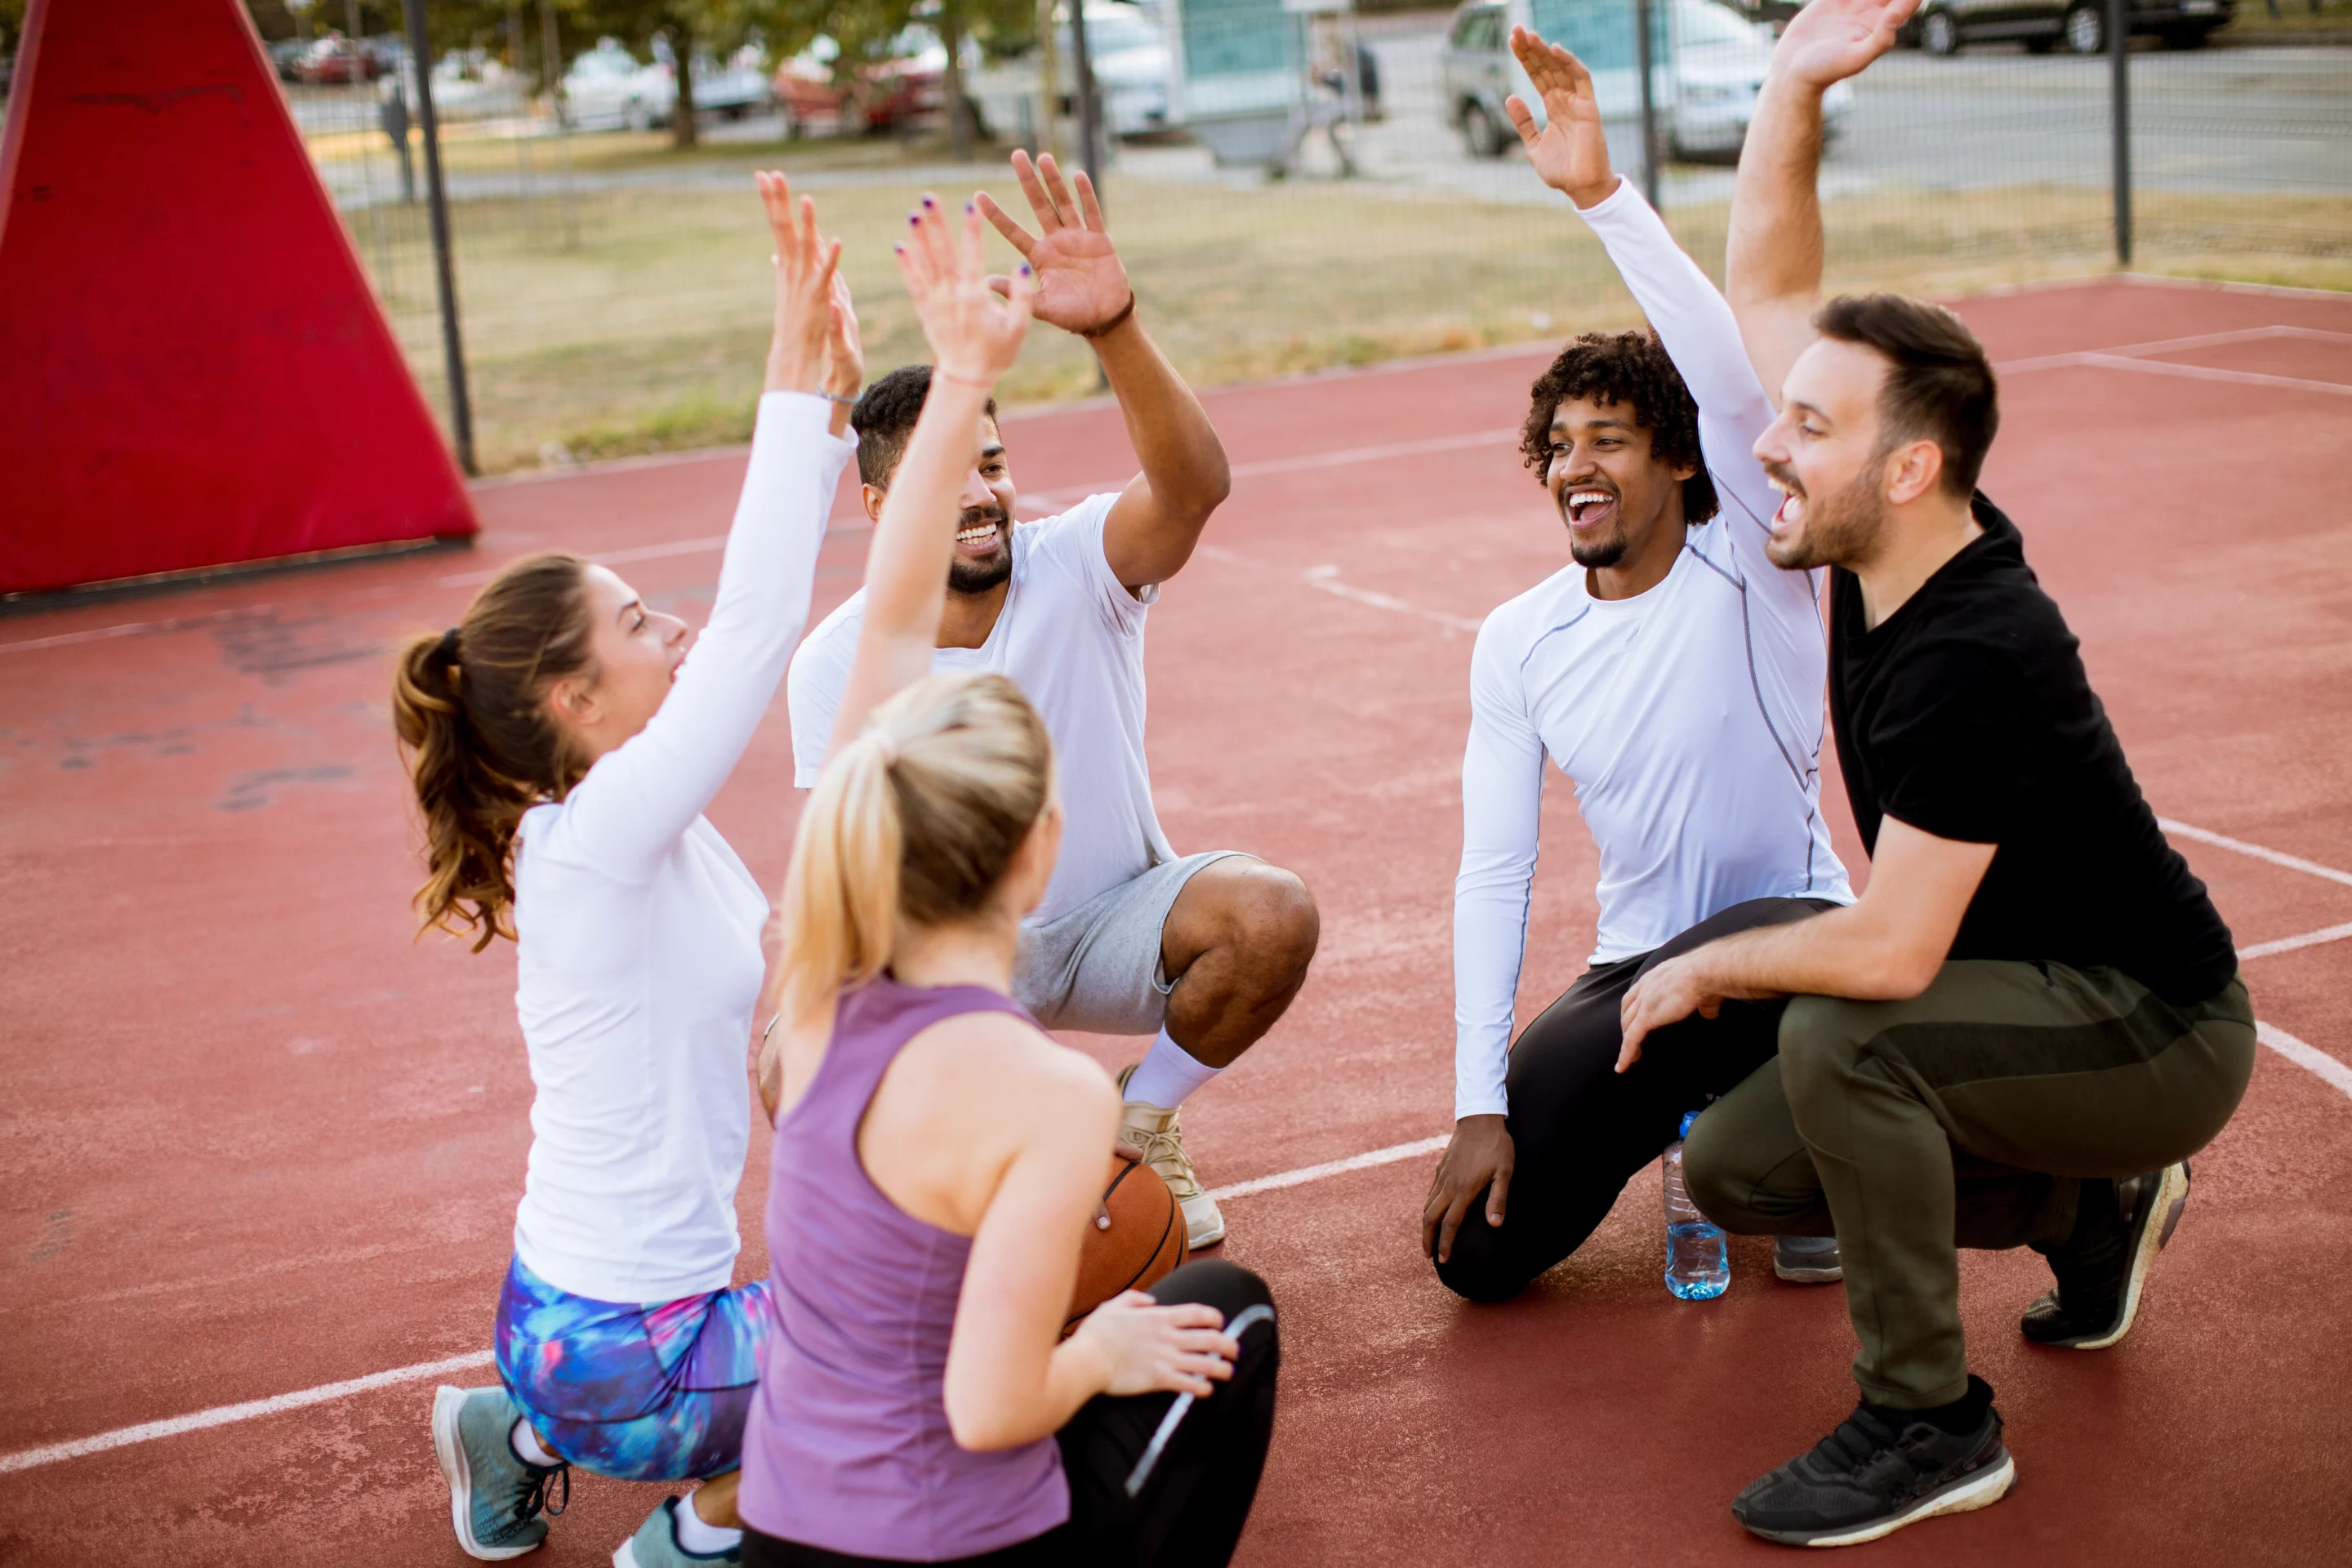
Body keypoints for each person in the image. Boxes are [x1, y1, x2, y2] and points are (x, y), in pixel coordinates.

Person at [1615, 0, 2253, 1545]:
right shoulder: (1886, 533)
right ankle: (2085, 1214)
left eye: (1808, 429)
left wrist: (1710, 972)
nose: (1771, 445)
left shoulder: (1979, 649)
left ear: (1907, 466)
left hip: (2149, 1027)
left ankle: (1929, 1421)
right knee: (1760, 1168)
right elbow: (1769, 273)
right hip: (2022, 990)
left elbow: (1892, 950)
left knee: (1840, 1037)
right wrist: (1791, 78)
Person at [740, 195, 1280, 1568]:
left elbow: (891, 659)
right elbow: (991, 1409)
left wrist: (973, 377)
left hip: (789, 1530)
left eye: (992, 460)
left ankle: (1096, 1154)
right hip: (957, 1542)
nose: (984, 486)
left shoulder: (820, 1007)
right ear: (1032, 842)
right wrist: (1095, 1350)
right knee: (1228, 1317)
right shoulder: (1038, 1096)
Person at [396, 175, 863, 1567]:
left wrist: (831, 413)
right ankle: (684, 1546)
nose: (674, 626)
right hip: (629, 1353)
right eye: (634, 621)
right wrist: (794, 369)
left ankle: (511, 1438)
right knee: (920, 1344)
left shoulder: (618, 824)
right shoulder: (602, 834)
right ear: (569, 702)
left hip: (564, 1322)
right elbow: (766, 616)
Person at [786, 152, 1321, 1252]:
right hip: (964, 962)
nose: (984, 494)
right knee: (824, 1050)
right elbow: (846, 876)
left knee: (1273, 913)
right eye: (954, 473)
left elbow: (1194, 490)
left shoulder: (1075, 563)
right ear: (885, 506)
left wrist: (1114, 325)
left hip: (1115, 917)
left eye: (993, 462)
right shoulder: (839, 662)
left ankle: (1142, 1124)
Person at [1419, 28, 1853, 1303]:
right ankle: (1705, 1121)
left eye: (1609, 438)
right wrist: (1476, 1100)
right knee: (1479, 1260)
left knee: (1756, 1115)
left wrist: (1602, 197)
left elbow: (1723, 369)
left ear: (1680, 462)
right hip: (1641, 975)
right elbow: (1495, 875)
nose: (1575, 467)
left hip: (1798, 943)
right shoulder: (1521, 641)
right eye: (1558, 446)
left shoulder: (1758, 569)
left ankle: (1778, 1143)